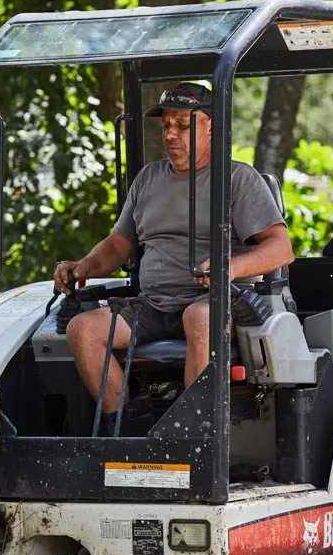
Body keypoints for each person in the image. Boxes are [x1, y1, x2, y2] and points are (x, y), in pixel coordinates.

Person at [53, 81, 294, 434]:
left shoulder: (237, 179)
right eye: (166, 125)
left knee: (200, 318)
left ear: (211, 126)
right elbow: (118, 245)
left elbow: (280, 249)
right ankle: (127, 429)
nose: (170, 135)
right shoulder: (148, 179)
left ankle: (193, 436)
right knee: (82, 330)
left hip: (212, 301)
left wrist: (229, 268)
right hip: (152, 305)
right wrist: (81, 266)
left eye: (183, 125)